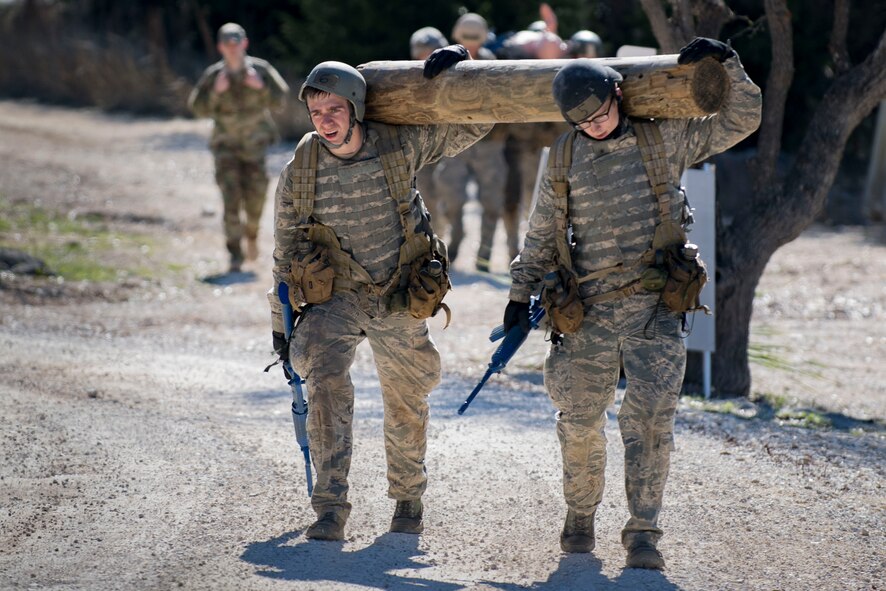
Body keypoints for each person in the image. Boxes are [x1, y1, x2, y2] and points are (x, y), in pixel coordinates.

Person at [504, 38, 761, 569]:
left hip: (655, 308)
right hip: (587, 313)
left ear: (618, 95)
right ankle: (580, 517)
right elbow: (540, 234)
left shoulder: (663, 140)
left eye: (600, 113)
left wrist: (727, 62)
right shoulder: (564, 158)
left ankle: (643, 531)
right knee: (577, 421)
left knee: (650, 424)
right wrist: (517, 295)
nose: (595, 125)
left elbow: (743, 118)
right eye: (583, 121)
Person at [270, 47, 492, 542]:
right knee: (324, 382)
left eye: (335, 110)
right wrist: (280, 328)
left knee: (407, 395)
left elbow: (480, 121)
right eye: (316, 113)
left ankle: (407, 497)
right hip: (339, 297)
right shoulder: (301, 169)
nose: (326, 122)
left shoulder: (397, 145)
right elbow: (284, 255)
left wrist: (463, 70)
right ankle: (330, 505)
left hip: (398, 292)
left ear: (356, 108)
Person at [188, 23, 289, 273]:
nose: (232, 50)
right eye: (227, 45)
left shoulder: (261, 69)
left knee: (255, 200)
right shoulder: (214, 75)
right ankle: (235, 254)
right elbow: (196, 108)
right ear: (221, 46)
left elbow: (281, 100)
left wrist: (260, 88)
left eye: (236, 44)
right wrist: (215, 93)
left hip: (255, 148)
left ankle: (252, 235)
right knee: (231, 201)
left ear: (244, 43)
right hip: (226, 148)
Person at [431, 13, 507, 271]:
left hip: (489, 142)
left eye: (476, 39)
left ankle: (484, 254)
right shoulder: (446, 58)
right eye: (467, 39)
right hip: (456, 142)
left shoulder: (491, 62)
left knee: (492, 201)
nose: (472, 44)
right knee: (450, 194)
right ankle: (455, 240)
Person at [408, 27, 449, 234]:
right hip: (423, 147)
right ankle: (437, 235)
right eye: (421, 53)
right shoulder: (407, 76)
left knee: (452, 194)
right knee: (425, 194)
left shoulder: (452, 73)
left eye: (431, 52)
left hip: (450, 144)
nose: (426, 58)